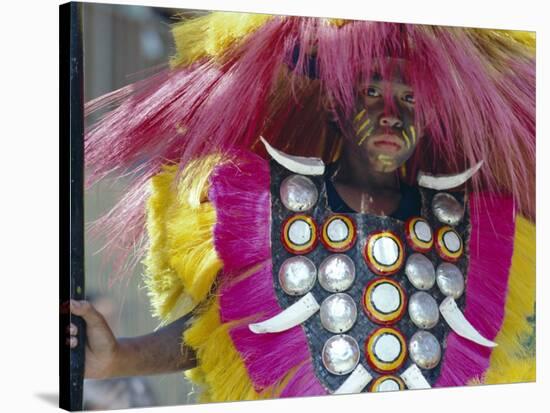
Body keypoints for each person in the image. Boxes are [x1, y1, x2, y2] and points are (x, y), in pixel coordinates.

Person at [68, 12, 536, 402]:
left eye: (409, 99)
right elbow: (225, 329)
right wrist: (120, 358)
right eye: (372, 92)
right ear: (336, 107)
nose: (391, 113)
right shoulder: (270, 208)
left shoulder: (469, 228)